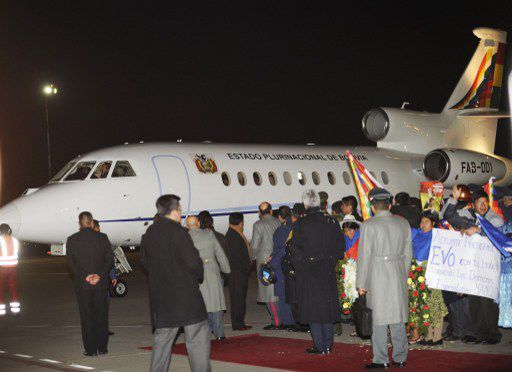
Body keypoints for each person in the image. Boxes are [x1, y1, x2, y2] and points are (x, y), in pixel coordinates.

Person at [140, 195, 210, 372]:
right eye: (179, 209)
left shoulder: (150, 233)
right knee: (197, 342)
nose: (180, 212)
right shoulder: (179, 232)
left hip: (162, 299)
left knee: (162, 343)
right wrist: (198, 274)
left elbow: (146, 262)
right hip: (186, 298)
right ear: (174, 211)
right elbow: (193, 262)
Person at [356, 188, 412, 369]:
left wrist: (361, 283)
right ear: (389, 205)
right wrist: (402, 273)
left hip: (377, 274)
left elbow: (364, 256)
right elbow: (407, 253)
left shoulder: (368, 225)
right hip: (397, 271)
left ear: (373, 207)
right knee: (397, 317)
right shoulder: (403, 223)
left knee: (378, 319)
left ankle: (381, 359)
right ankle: (400, 356)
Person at [444, 186, 503, 345]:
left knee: (487, 303)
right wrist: (454, 200)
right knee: (475, 303)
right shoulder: (469, 217)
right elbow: (448, 215)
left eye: (485, 202)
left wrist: (476, 230)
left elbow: (496, 230)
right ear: (473, 204)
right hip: (473, 269)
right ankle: (480, 333)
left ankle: (493, 334)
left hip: (488, 270)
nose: (483, 205)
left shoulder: (494, 218)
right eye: (479, 202)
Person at [291, 190, 345, 354]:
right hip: (327, 268)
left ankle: (319, 345)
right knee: (327, 307)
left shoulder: (301, 223)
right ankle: (328, 345)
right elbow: (340, 246)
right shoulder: (331, 221)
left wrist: (300, 267)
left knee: (313, 308)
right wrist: (330, 260)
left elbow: (295, 250)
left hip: (309, 270)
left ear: (306, 205)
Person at [66, 212, 115, 356]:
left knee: (87, 316)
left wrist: (85, 276)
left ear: (80, 223)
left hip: (83, 285)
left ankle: (91, 349)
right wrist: (99, 274)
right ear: (92, 222)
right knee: (101, 315)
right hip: (100, 284)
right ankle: (102, 347)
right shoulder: (102, 237)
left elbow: (71, 263)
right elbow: (110, 260)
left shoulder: (72, 240)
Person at [408, 211, 448, 346]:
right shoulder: (417, 233)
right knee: (423, 304)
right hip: (417, 273)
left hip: (432, 272)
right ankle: (428, 335)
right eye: (422, 221)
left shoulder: (438, 236)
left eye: (426, 222)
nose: (423, 224)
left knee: (434, 303)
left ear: (433, 223)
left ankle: (437, 336)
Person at [189, 211, 231, 340]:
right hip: (212, 270)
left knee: (203, 304)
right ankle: (219, 334)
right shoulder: (209, 234)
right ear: (198, 223)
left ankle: (204, 334)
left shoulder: (185, 238)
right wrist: (226, 270)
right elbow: (220, 254)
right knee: (216, 303)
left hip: (196, 273)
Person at [251, 202, 281, 330]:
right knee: (278, 290)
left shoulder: (258, 225)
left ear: (259, 212)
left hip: (265, 261)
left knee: (269, 293)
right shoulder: (277, 222)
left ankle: (276, 321)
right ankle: (282, 318)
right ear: (271, 211)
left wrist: (253, 257)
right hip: (278, 258)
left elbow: (255, 245)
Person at [269, 206, 297, 331]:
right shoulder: (295, 227)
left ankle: (288, 321)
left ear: (280, 217)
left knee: (282, 294)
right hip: (294, 264)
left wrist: (272, 264)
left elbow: (280, 250)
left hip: (281, 265)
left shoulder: (281, 231)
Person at [225, 212, 252, 331]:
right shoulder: (233, 235)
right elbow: (236, 256)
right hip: (237, 273)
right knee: (238, 299)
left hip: (238, 272)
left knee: (239, 298)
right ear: (241, 222)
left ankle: (239, 322)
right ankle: (238, 324)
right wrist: (245, 267)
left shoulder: (234, 233)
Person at [93, 220, 116, 336]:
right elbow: (110, 259)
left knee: (97, 306)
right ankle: (102, 329)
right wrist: (112, 276)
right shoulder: (104, 240)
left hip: (91, 281)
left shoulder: (87, 242)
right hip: (102, 280)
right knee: (103, 306)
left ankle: (99, 329)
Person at [0, 224, 21, 316]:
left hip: (2, 268)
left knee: (1, 289)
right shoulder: (15, 240)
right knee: (14, 288)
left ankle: (1, 310)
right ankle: (15, 310)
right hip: (13, 267)